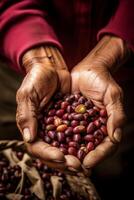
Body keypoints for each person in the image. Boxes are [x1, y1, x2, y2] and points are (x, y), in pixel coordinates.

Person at [0, 0, 134, 173]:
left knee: (115, 161)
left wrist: (113, 49)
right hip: (19, 70)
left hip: (120, 79)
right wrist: (38, 60)